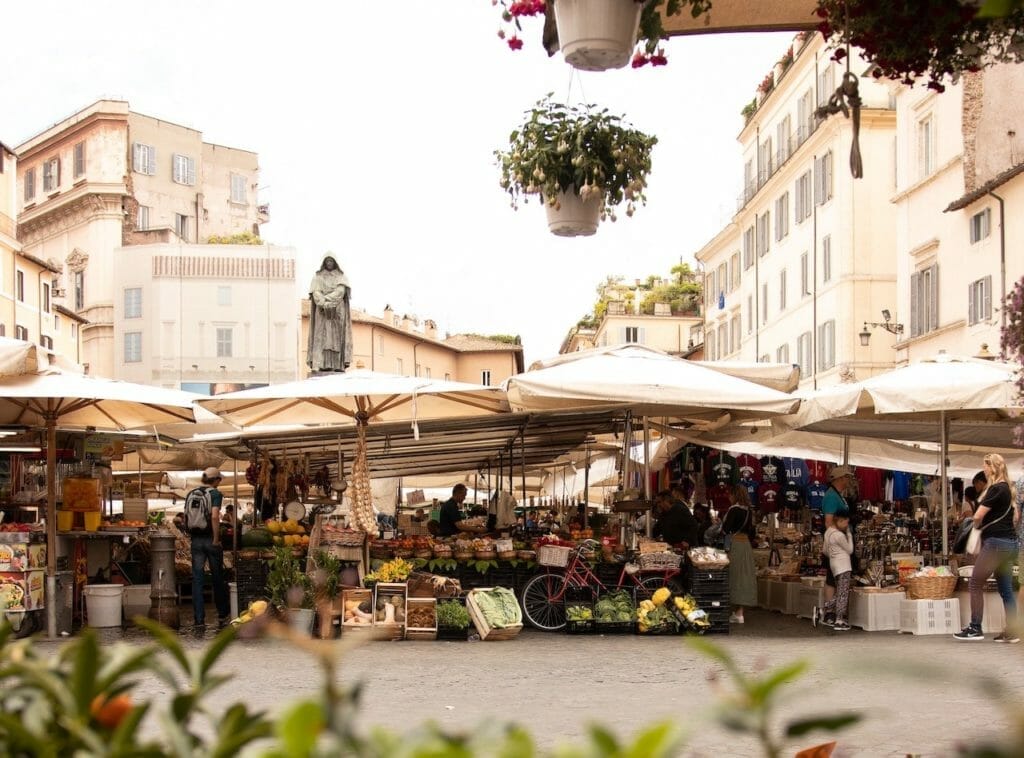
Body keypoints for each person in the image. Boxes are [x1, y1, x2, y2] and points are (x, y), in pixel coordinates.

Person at [954, 453, 1020, 642]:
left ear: (992, 467)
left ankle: (975, 627)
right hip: (1010, 544)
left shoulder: (995, 489)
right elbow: (1015, 518)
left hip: (995, 544)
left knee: (975, 583)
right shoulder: (1009, 489)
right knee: (1006, 589)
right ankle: (1013, 631)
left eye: (985, 466)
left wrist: (974, 527)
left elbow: (977, 516)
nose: (983, 469)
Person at [188, 467, 230, 630]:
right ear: (216, 480)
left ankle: (199, 619)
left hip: (196, 540)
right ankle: (222, 614)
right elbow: (214, 515)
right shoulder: (215, 494)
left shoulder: (192, 493)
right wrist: (216, 538)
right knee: (217, 577)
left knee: (197, 580)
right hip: (209, 540)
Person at [307, 254, 353, 373]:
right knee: (319, 337)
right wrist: (322, 302)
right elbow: (316, 292)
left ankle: (337, 364)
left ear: (335, 262)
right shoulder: (318, 277)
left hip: (337, 311)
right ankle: (318, 363)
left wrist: (326, 299)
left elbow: (340, 292)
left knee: (336, 339)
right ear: (324, 262)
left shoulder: (341, 277)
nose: (329, 263)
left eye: (331, 261)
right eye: (327, 261)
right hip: (321, 310)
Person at [820, 465, 853, 620]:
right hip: (836, 546)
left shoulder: (839, 495)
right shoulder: (832, 497)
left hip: (840, 543)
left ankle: (831, 609)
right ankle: (829, 612)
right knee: (832, 578)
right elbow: (828, 522)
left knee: (835, 578)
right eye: (846, 477)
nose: (848, 480)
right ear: (840, 478)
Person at [722, 485, 757, 624]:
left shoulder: (734, 510)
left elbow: (726, 529)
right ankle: (739, 612)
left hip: (735, 545)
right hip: (745, 545)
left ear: (734, 495)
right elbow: (752, 532)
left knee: (733, 576)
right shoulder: (749, 510)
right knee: (744, 577)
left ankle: (733, 610)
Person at [815, 512, 855, 631]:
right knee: (843, 593)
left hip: (834, 565)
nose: (846, 526)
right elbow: (850, 550)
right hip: (844, 565)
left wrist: (834, 555)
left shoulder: (828, 532)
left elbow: (825, 551)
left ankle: (821, 610)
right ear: (840, 521)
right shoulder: (839, 535)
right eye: (846, 523)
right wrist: (849, 535)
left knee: (840, 592)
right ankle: (839, 620)